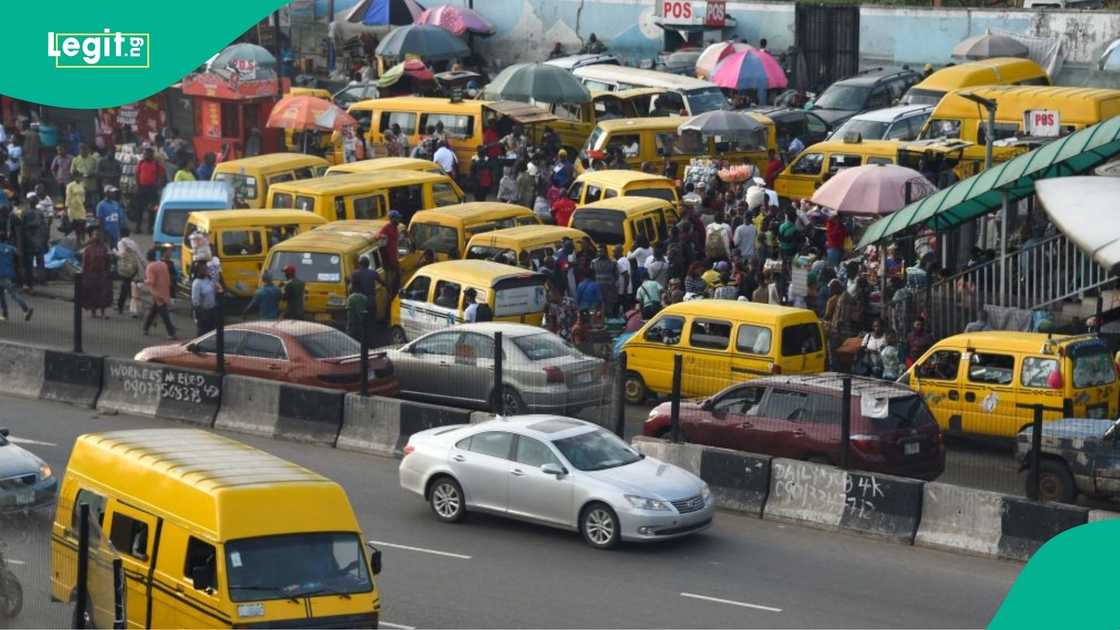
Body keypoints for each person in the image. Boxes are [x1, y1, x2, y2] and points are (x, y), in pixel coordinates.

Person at [78, 228, 112, 319]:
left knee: (103, 294)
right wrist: (83, 274)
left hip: (102, 274)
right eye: (95, 234)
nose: (97, 236)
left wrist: (108, 272)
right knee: (92, 294)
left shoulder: (104, 247)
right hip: (91, 274)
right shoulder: (88, 249)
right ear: (92, 236)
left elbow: (108, 261)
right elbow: (84, 264)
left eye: (98, 235)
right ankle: (93, 312)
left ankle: (103, 313)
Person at [0, 231, 32, 322]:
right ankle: (6, 314)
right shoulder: (11, 248)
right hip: (9, 274)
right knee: (13, 294)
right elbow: (20, 255)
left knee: (2, 295)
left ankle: (24, 309)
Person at [133, 147, 164, 234]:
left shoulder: (156, 165)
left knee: (151, 210)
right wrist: (138, 186)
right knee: (139, 209)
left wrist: (157, 185)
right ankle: (138, 227)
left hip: (152, 189)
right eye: (145, 154)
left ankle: (149, 228)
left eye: (148, 154)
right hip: (142, 188)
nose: (146, 155)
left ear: (152, 155)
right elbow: (137, 174)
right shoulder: (141, 163)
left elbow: (161, 175)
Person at [115, 227, 144, 317]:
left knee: (127, 287)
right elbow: (140, 255)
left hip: (125, 268)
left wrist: (115, 252)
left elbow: (122, 253)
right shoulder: (133, 243)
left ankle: (127, 307)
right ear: (129, 234)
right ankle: (125, 307)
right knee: (129, 286)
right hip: (133, 268)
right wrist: (145, 265)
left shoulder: (120, 243)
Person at [190, 262, 220, 336]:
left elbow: (214, 292)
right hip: (203, 314)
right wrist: (202, 314)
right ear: (199, 271)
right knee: (203, 335)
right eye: (204, 269)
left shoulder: (209, 280)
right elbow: (195, 301)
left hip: (213, 311)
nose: (207, 270)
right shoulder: (197, 283)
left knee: (213, 334)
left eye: (207, 268)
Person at [591, 244, 619, 317]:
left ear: (606, 252)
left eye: (602, 251)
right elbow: (591, 274)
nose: (600, 253)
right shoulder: (594, 262)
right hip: (598, 287)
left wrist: (611, 282)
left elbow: (616, 275)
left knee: (609, 307)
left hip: (609, 288)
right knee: (598, 306)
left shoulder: (613, 262)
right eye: (599, 252)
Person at [70, 143, 98, 212]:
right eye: (81, 150)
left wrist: (92, 174)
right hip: (80, 185)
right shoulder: (75, 159)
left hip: (91, 185)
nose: (83, 151)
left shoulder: (93, 159)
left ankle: (94, 216)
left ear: (88, 150)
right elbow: (72, 172)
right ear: (79, 151)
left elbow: (97, 171)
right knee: (82, 203)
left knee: (93, 203)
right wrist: (77, 173)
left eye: (85, 150)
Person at [64, 176, 86, 245]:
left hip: (80, 206)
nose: (80, 178)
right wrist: (66, 207)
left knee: (83, 223)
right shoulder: (70, 185)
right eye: (79, 176)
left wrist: (83, 201)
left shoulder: (82, 184)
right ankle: (77, 241)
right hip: (72, 207)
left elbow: (83, 195)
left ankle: (83, 240)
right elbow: (68, 197)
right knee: (76, 224)